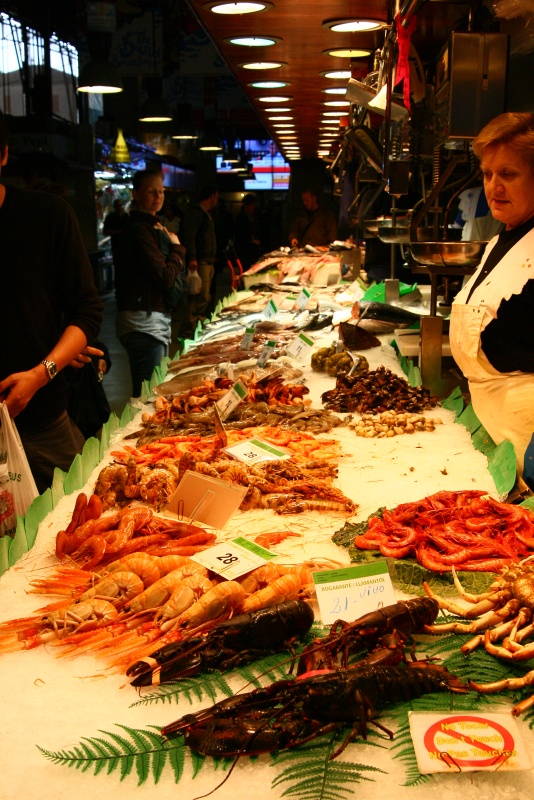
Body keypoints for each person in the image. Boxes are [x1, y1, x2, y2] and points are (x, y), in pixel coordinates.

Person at [0, 109, 104, 494]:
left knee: (81, 521)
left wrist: (43, 372)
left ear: (4, 155)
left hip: (44, 422)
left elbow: (87, 310)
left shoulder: (47, 216)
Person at [449, 112, 534, 487]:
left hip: (526, 442)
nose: (494, 186)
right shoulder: (500, 240)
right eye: (487, 174)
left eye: (509, 174)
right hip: (492, 433)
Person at [114, 169, 186, 398]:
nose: (158, 197)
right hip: (143, 324)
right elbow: (164, 276)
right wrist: (177, 249)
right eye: (151, 192)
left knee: (151, 390)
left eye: (162, 191)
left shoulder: (152, 226)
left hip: (151, 320)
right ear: (136, 194)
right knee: (148, 395)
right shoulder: (139, 230)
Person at [181, 183, 218, 330]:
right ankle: (189, 329)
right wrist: (192, 257)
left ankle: (197, 326)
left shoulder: (206, 214)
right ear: (212, 196)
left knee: (205, 296)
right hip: (200, 261)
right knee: (200, 296)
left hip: (208, 261)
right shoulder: (195, 213)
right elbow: (189, 237)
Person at [234, 193, 262, 270]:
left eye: (254, 205)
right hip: (245, 250)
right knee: (246, 269)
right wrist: (251, 241)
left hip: (255, 249)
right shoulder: (241, 218)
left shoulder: (256, 216)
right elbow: (239, 235)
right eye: (251, 205)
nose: (253, 207)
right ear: (246, 206)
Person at [103, 198, 128, 279]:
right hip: (117, 245)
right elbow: (105, 231)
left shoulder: (125, 216)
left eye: (120, 205)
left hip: (125, 245)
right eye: (118, 205)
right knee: (118, 267)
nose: (119, 207)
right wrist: (118, 232)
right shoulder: (110, 217)